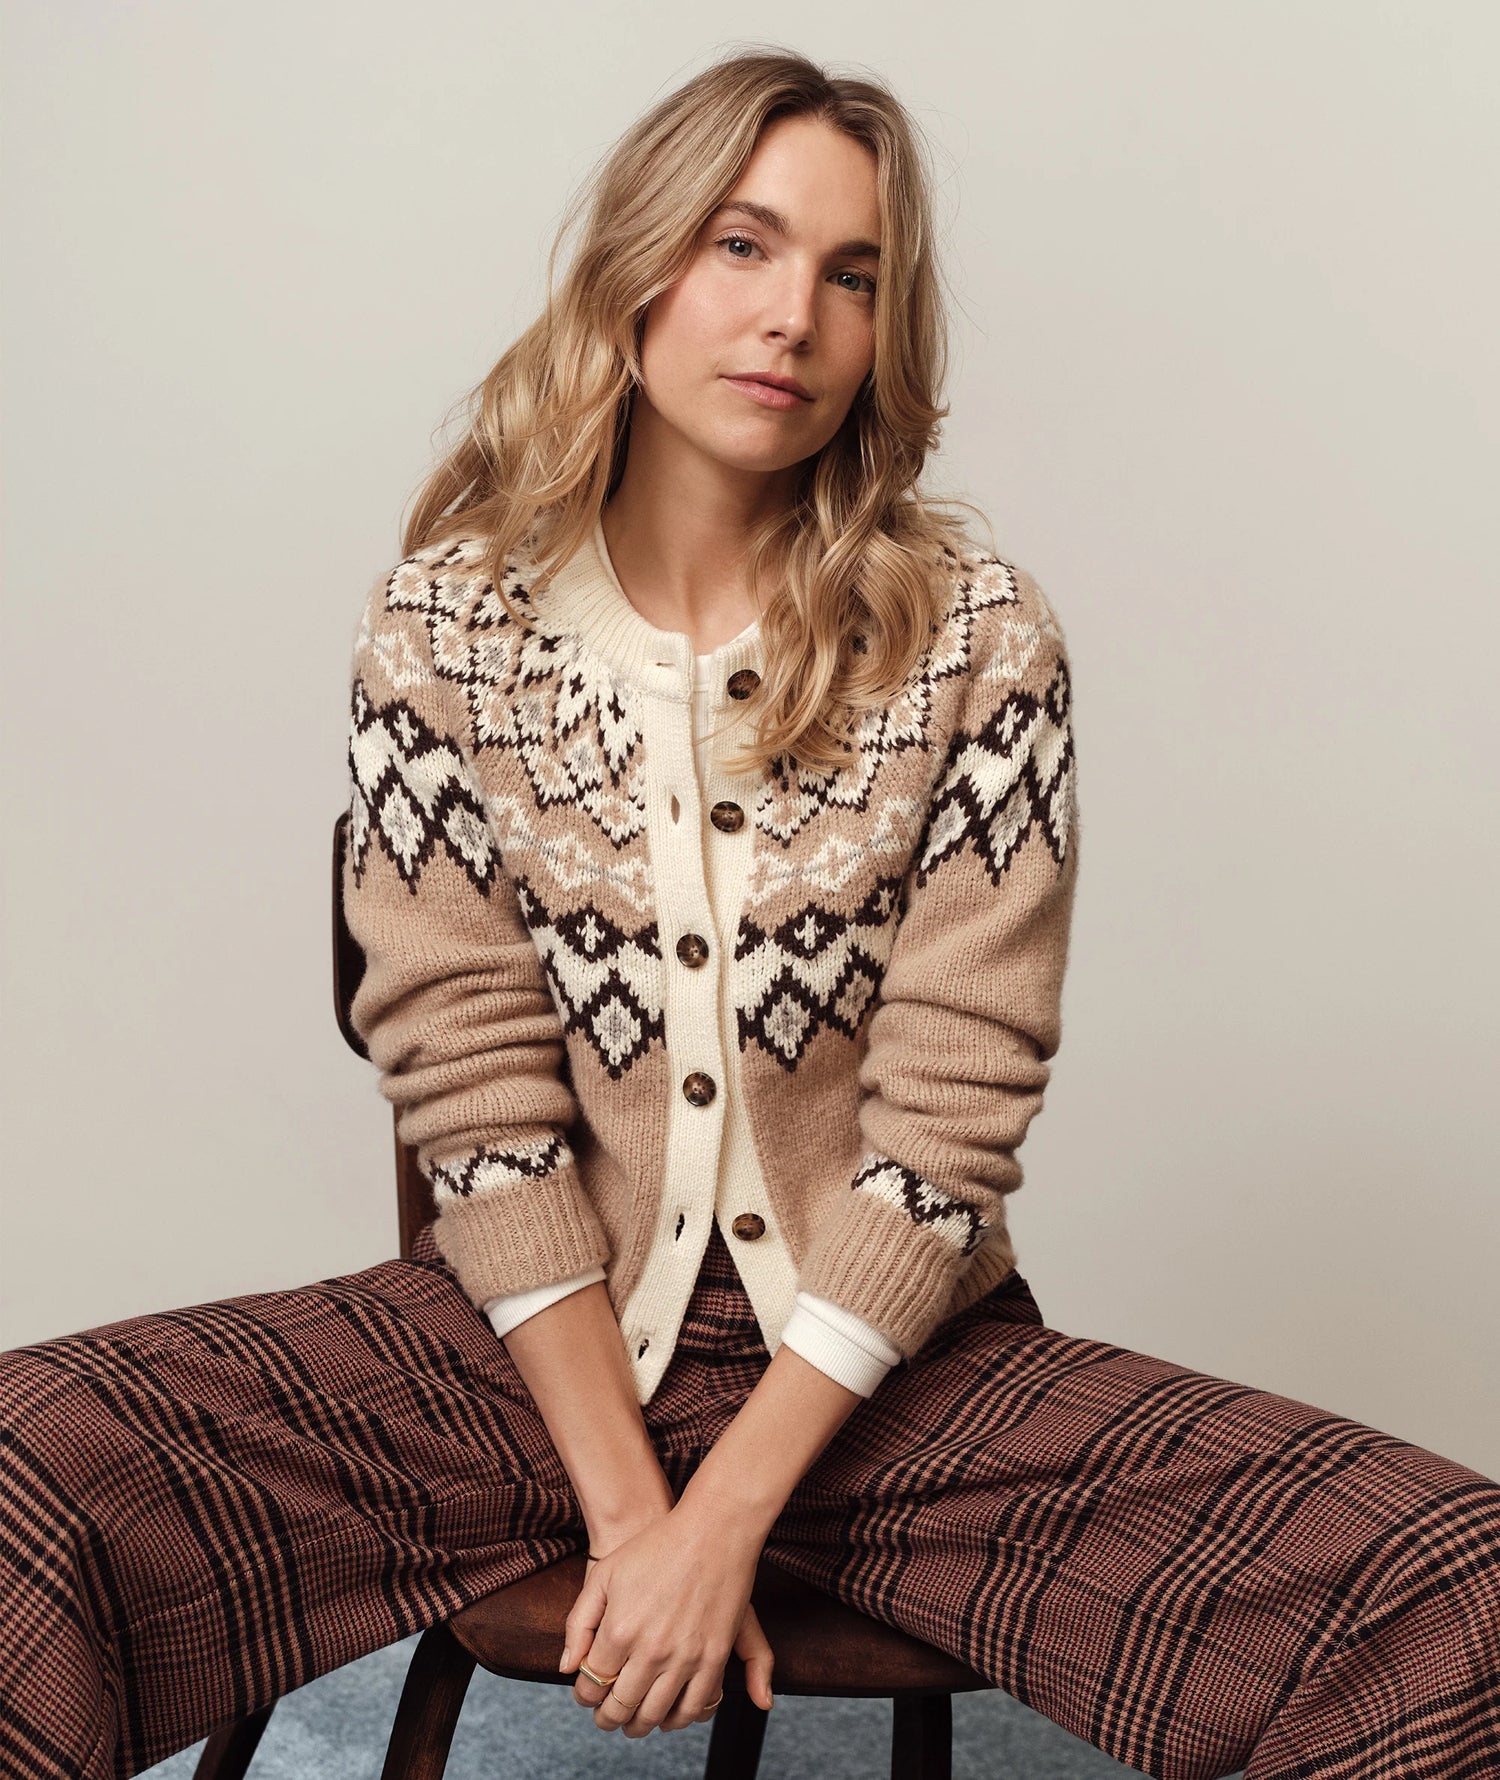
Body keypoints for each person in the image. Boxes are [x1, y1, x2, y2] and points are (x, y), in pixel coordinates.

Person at [3, 45, 1497, 1780]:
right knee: (26, 1474)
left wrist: (727, 1522)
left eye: (850, 275)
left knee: (1453, 1590)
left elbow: (948, 1121)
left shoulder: (976, 639)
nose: (792, 313)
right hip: (517, 1345)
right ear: (637, 272)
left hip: (890, 1374)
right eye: (741, 245)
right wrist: (640, 1518)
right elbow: (473, 1096)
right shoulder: (446, 630)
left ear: (884, 332)